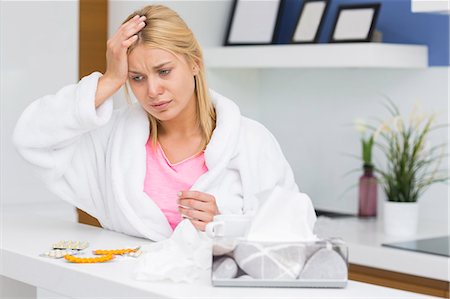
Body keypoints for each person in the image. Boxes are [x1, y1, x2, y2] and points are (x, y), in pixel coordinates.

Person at [13, 5, 301, 241]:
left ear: (194, 63)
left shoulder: (250, 141)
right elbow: (32, 139)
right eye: (136, 77)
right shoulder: (111, 141)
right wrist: (110, 79)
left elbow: (295, 231)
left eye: (164, 71)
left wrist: (226, 224)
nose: (152, 90)